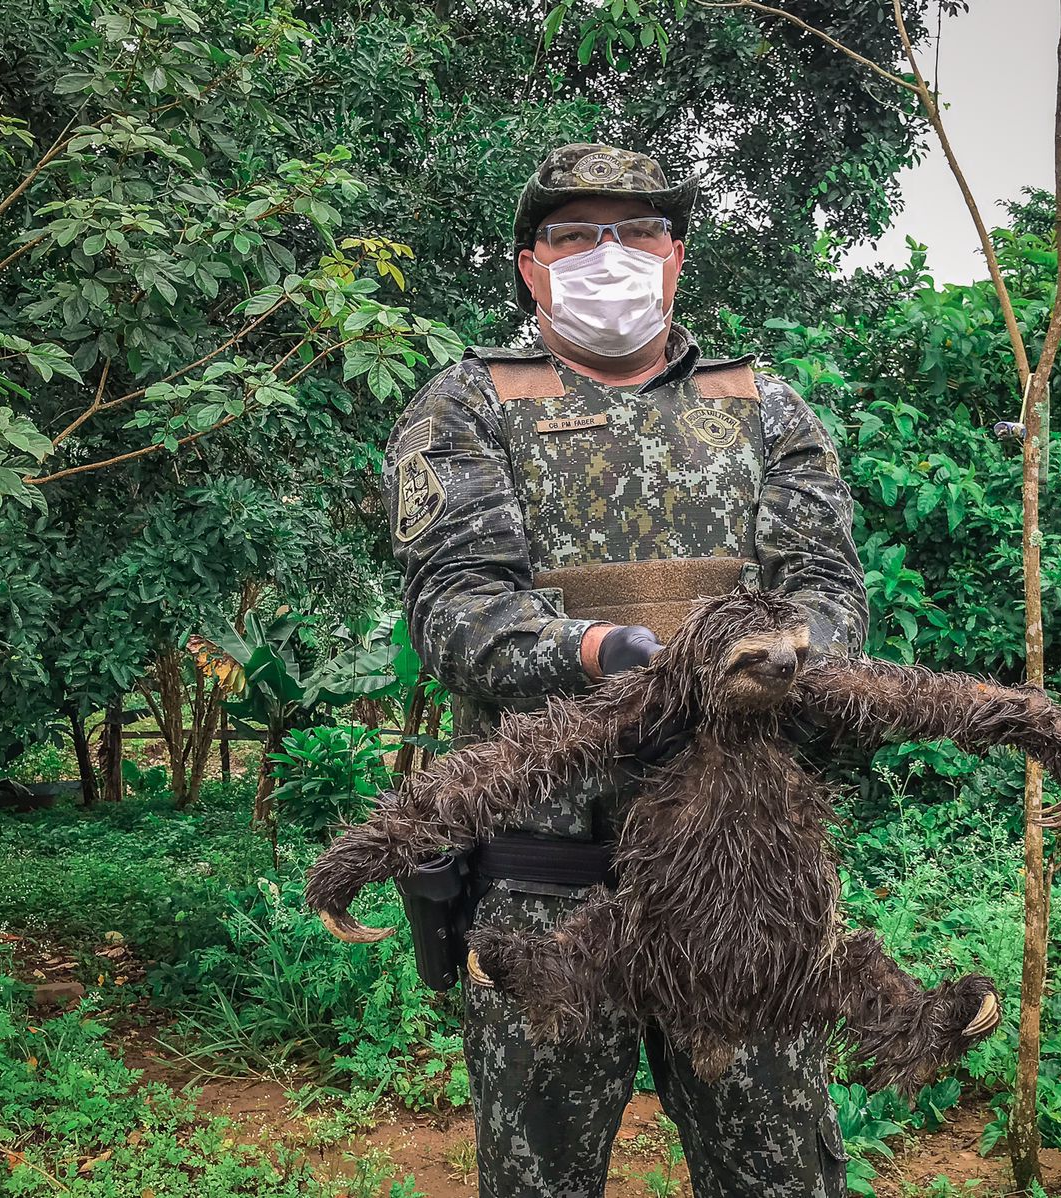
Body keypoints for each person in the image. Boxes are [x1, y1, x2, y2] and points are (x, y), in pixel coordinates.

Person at [383, 142, 869, 1198]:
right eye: (573, 234)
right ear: (530, 266)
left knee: (778, 1173)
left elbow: (830, 595)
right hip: (543, 881)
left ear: (676, 254)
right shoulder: (467, 405)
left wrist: (770, 659)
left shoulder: (767, 410)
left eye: (637, 229)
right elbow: (456, 608)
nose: (609, 253)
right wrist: (603, 651)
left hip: (745, 881)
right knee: (540, 1176)